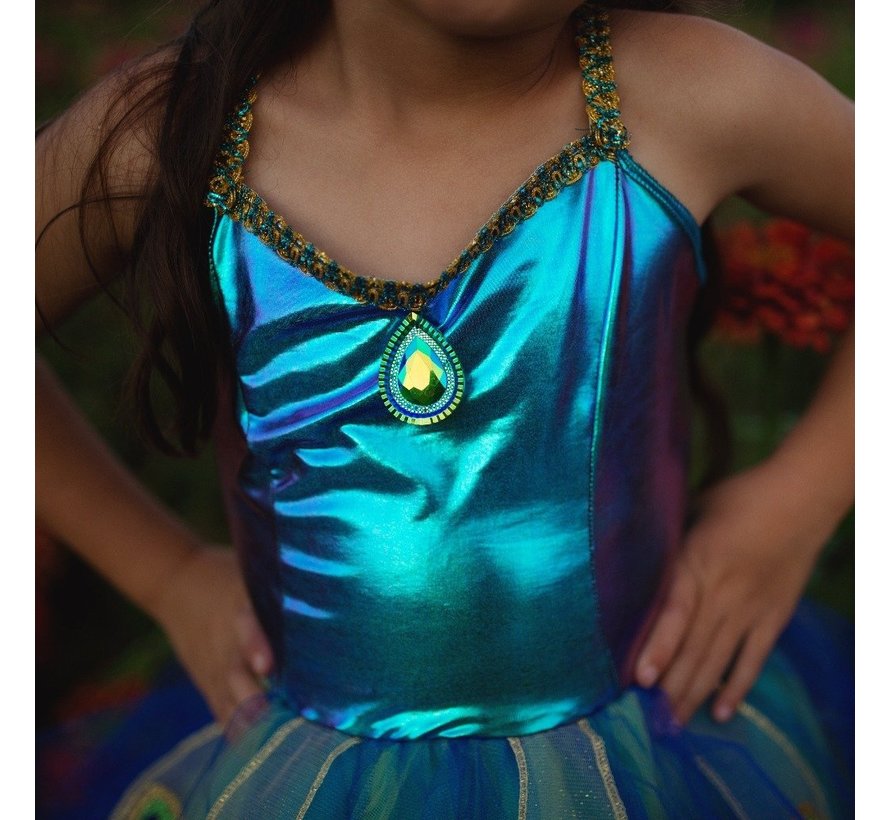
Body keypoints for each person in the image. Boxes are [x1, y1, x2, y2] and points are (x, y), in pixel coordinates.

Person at [36, 0, 854, 816]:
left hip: (647, 739)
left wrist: (799, 500)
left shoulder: (694, 93)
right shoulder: (171, 128)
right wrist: (168, 572)